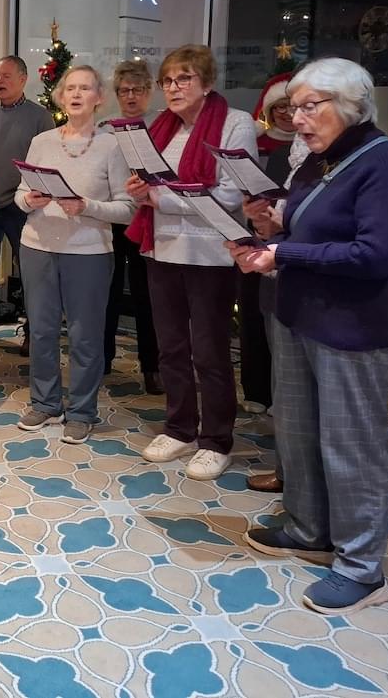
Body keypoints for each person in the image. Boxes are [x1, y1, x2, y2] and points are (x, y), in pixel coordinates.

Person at [232, 57, 388, 615]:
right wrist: (272, 228)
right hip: (300, 316)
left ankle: (364, 570)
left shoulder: (387, 163)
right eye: (294, 109)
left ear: (351, 104)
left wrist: (285, 250)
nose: (298, 119)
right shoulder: (320, 162)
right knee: (297, 433)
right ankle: (309, 527)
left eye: (310, 106)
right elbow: (311, 229)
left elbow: (376, 254)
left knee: (352, 446)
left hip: (353, 328)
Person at [124, 45, 256, 481]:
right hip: (161, 248)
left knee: (210, 350)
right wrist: (140, 191)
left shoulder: (234, 124)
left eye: (184, 79)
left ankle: (217, 439)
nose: (174, 88)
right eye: (168, 80)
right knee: (172, 347)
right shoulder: (158, 127)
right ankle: (180, 427)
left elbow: (232, 196)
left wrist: (162, 198)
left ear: (207, 83)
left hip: (211, 253)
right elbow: (150, 185)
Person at [15, 65, 133, 443]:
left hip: (89, 252)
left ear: (99, 97)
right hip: (37, 245)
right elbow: (20, 194)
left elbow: (128, 208)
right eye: (71, 88)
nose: (77, 94)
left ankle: (82, 411)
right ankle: (45, 402)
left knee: (85, 336)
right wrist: (28, 199)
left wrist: (87, 207)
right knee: (43, 331)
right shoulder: (43, 141)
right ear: (61, 96)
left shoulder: (113, 145)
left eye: (86, 88)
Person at [0, 55, 54, 341]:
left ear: (23, 79)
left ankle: (34, 330)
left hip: (21, 207)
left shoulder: (40, 117)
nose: (0, 81)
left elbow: (46, 162)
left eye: (7, 76)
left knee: (30, 270)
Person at [237, 71, 297, 414]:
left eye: (295, 106)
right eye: (281, 107)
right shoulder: (258, 145)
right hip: (255, 241)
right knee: (254, 320)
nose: (288, 114)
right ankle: (258, 392)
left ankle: (285, 401)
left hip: (290, 249)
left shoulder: (317, 151)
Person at [102, 60, 161, 394]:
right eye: (124, 90)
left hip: (147, 217)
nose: (131, 96)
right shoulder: (105, 128)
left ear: (149, 91)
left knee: (146, 296)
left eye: (137, 90)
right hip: (112, 219)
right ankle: (104, 359)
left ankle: (152, 367)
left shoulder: (161, 126)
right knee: (106, 293)